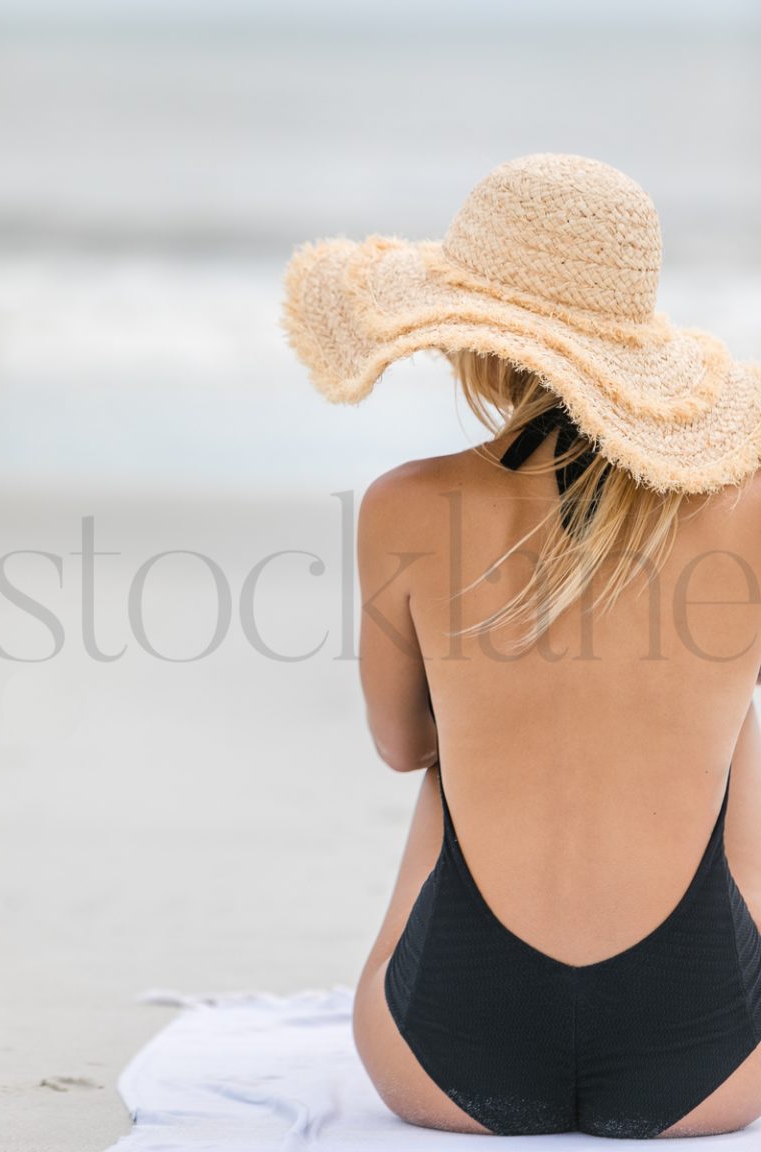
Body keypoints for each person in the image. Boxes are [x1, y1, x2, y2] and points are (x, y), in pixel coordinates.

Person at [280, 153, 761, 1138]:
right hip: (714, 1075)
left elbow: (402, 745)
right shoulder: (748, 508)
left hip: (441, 1064)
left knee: (454, 757)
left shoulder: (406, 506)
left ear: (473, 337)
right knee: (742, 725)